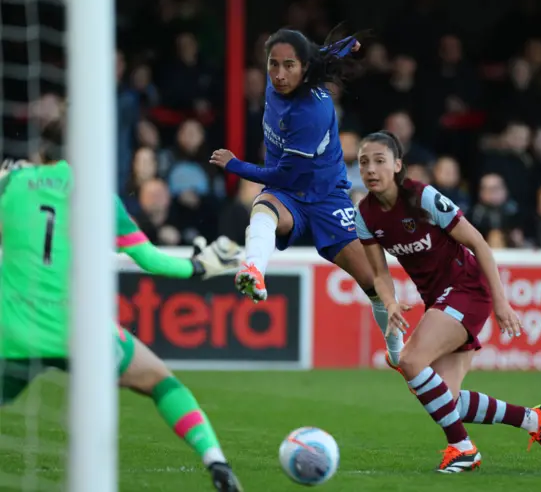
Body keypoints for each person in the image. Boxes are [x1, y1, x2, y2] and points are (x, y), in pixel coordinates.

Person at [0, 122, 244, 492]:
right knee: (162, 382)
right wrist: (198, 266)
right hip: (79, 332)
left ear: (40, 152)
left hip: (13, 329)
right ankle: (217, 462)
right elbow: (149, 259)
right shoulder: (99, 198)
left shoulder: (11, 183)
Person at [354, 130, 541, 474]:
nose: (371, 169)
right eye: (364, 162)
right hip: (440, 298)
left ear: (397, 165)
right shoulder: (365, 215)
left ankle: (463, 448)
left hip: (467, 287)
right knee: (446, 401)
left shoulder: (422, 197)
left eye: (379, 161)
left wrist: (501, 303)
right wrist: (390, 302)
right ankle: (534, 419)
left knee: (409, 361)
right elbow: (379, 273)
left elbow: (479, 243)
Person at [210, 28, 404, 367]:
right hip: (289, 196)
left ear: (303, 68)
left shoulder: (310, 112)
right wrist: (344, 46)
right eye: (274, 65)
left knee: (373, 283)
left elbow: (286, 174)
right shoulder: (279, 80)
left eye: (289, 66)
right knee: (264, 207)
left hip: (326, 199)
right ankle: (254, 268)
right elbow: (320, 53)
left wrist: (235, 165)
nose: (280, 74)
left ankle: (400, 353)